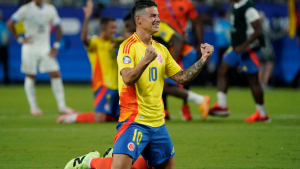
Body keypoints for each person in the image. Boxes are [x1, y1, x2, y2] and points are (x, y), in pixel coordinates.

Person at [63, 1, 214, 169]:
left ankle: (111, 156)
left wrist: (203, 59)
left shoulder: (161, 49)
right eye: (153, 16)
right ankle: (89, 162)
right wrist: (145, 61)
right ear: (139, 20)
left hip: (158, 124)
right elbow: (127, 78)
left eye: (158, 15)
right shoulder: (128, 47)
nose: (158, 19)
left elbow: (182, 77)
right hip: (134, 120)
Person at [123, 13, 210, 121]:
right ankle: (165, 111)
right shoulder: (142, 32)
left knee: (166, 84)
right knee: (160, 81)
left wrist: (171, 62)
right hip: (176, 56)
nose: (127, 29)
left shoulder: (156, 27)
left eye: (128, 26)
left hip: (185, 55)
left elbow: (178, 40)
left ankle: (200, 100)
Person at [57, 0, 121, 123]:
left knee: (119, 118)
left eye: (115, 27)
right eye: (112, 27)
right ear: (103, 28)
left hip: (117, 86)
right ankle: (73, 117)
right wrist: (87, 18)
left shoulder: (114, 42)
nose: (115, 30)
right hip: (103, 85)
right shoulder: (95, 42)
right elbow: (83, 38)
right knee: (100, 118)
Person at [6, 0, 75, 115]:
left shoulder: (50, 9)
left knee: (55, 73)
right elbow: (10, 23)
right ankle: (33, 107)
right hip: (30, 48)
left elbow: (59, 27)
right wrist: (20, 39)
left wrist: (56, 46)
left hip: (45, 49)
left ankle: (62, 106)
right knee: (30, 75)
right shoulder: (26, 9)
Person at [209, 0, 270, 122]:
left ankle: (262, 114)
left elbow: (258, 30)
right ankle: (222, 105)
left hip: (249, 48)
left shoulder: (249, 8)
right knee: (222, 69)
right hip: (237, 46)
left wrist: (245, 45)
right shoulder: (236, 5)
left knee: (253, 80)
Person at [154, 0, 206, 120]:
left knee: (183, 79)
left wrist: (200, 43)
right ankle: (165, 109)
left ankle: (185, 107)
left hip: (182, 46)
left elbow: (196, 23)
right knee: (162, 78)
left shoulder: (186, 3)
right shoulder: (156, 3)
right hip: (165, 45)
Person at [258, 11, 286, 90]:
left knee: (261, 67)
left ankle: (260, 84)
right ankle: (264, 83)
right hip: (267, 50)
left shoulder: (255, 29)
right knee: (269, 66)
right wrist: (283, 33)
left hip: (259, 50)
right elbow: (274, 36)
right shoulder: (264, 28)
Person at [0, 10, 10, 85]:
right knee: (5, 65)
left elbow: (7, 38)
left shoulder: (4, 25)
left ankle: (6, 80)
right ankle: (6, 81)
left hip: (3, 48)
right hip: (3, 47)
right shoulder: (4, 25)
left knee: (5, 65)